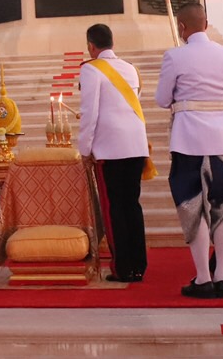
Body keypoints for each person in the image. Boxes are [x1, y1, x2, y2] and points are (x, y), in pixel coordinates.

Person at [154, 3, 223, 300]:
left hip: (189, 142)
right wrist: (218, 116)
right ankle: (222, 275)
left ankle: (203, 277)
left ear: (181, 27)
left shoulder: (174, 56)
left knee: (192, 209)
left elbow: (161, 99)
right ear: (206, 24)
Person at [76, 22, 150, 283]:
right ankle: (139, 264)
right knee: (132, 205)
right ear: (112, 43)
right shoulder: (130, 69)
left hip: (110, 149)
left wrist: (84, 148)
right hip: (136, 145)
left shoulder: (91, 70)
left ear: (91, 46)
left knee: (114, 208)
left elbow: (90, 113)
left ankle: (123, 267)